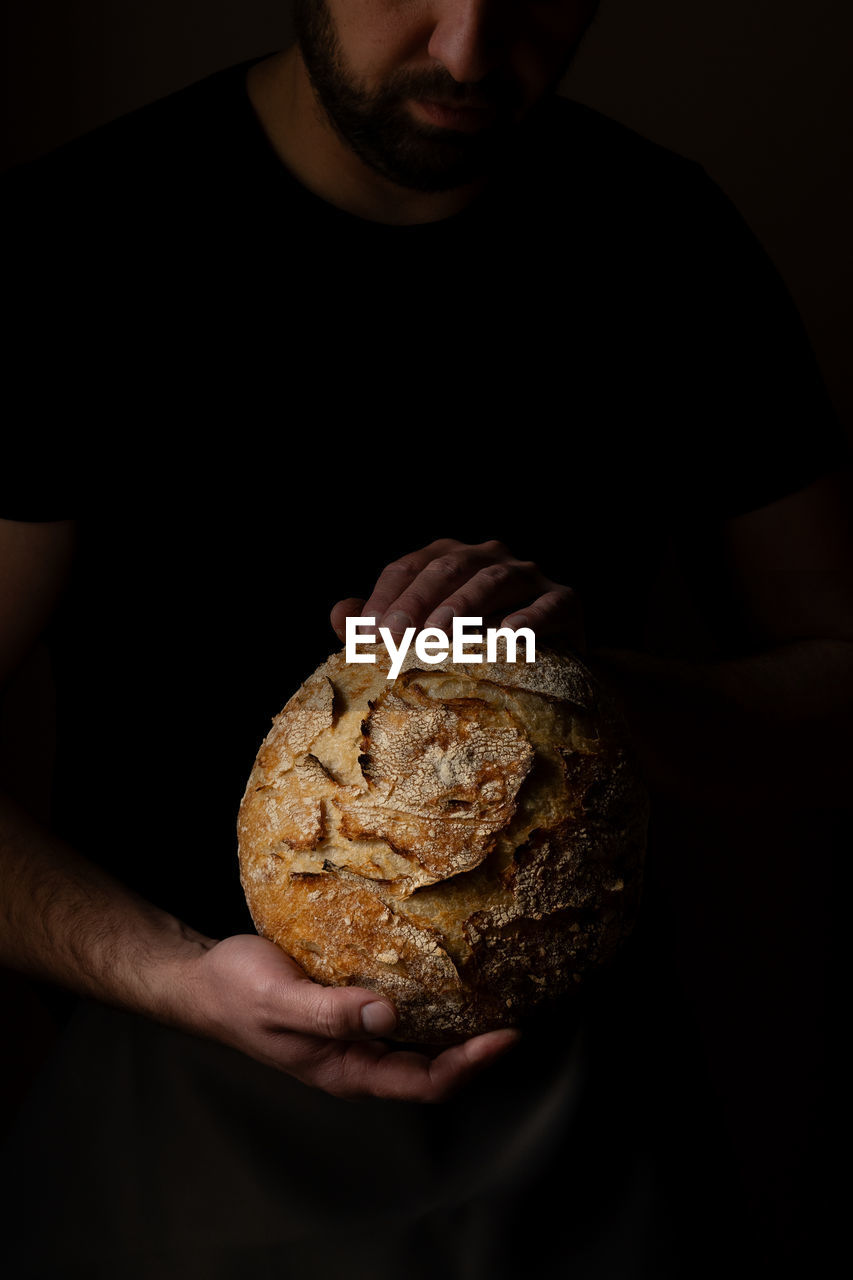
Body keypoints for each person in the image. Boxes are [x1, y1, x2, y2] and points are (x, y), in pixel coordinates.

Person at [2, 0, 851, 1275]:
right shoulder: (74, 244)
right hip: (176, 1090)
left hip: (579, 1125)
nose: (467, 50)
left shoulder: (664, 238)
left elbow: (839, 687)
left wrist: (580, 693)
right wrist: (176, 973)